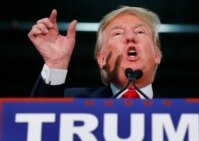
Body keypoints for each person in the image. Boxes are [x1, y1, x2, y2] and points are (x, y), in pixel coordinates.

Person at [29, 6, 162, 99]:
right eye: (118, 33)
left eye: (140, 32)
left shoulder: (179, 115)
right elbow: (35, 128)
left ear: (156, 55)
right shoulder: (71, 103)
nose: (130, 37)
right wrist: (55, 64)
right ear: (101, 59)